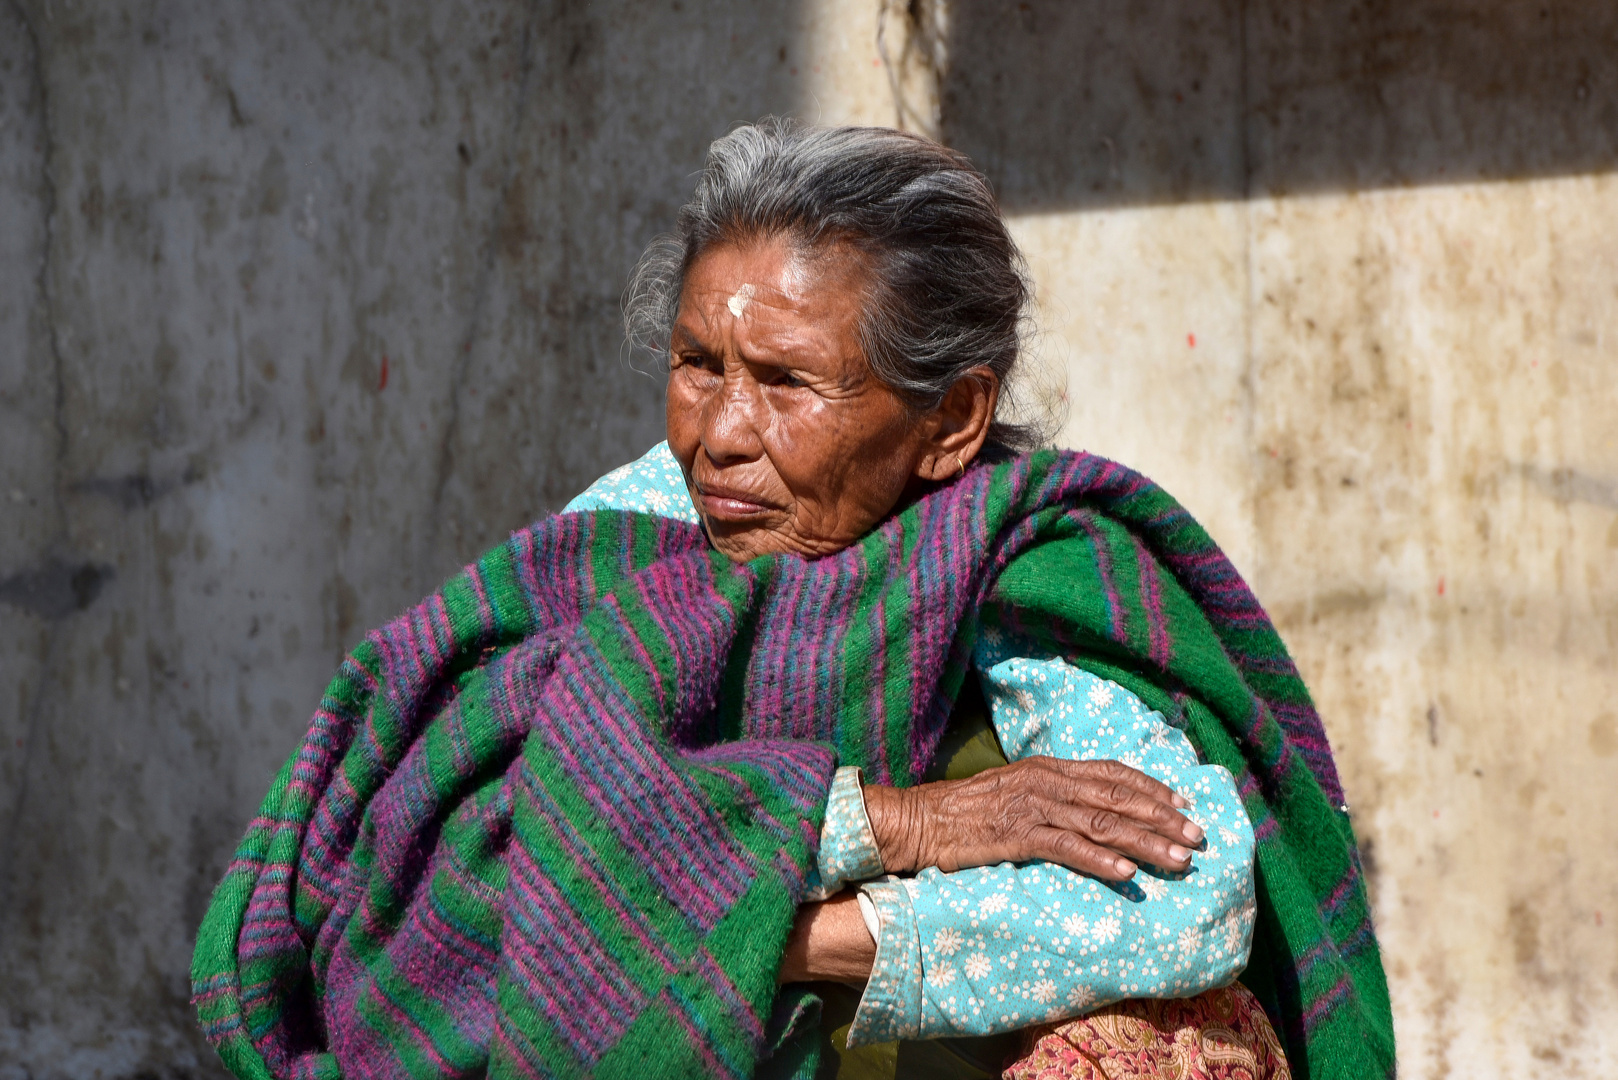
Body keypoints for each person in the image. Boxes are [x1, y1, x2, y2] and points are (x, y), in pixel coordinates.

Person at [194, 122, 1392, 1080]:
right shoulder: (629, 536)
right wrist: (900, 823)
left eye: (786, 384)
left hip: (869, 1040)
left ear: (952, 422)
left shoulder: (1026, 556)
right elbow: (451, 863)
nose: (720, 433)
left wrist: (762, 938)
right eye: (697, 364)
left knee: (1156, 1054)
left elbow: (1184, 904)